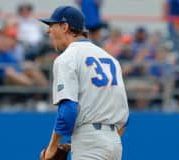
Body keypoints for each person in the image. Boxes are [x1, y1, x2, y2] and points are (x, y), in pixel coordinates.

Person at [39, 6, 129, 160]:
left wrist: (52, 148)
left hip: (89, 142)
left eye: (52, 26)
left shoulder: (67, 58)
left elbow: (68, 111)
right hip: (114, 143)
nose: (49, 31)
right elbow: (125, 120)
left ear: (65, 27)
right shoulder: (111, 60)